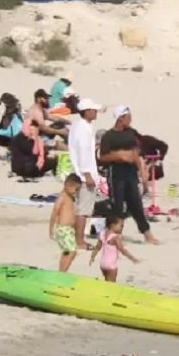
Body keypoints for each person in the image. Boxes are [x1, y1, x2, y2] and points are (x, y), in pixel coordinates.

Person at [100, 106, 159, 245]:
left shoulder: (130, 133)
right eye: (128, 117)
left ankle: (147, 234)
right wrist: (118, 156)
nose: (130, 120)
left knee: (136, 203)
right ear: (120, 118)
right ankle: (114, 234)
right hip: (116, 172)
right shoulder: (108, 136)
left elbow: (136, 154)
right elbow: (102, 156)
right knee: (117, 205)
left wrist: (143, 174)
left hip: (131, 172)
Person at [68, 99, 102, 250]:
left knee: (80, 208)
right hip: (83, 174)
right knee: (83, 210)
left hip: (79, 172)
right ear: (87, 111)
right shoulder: (83, 128)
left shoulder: (79, 125)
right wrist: (87, 174)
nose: (95, 112)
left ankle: (77, 238)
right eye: (93, 110)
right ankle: (80, 241)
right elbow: (83, 152)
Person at [89, 215, 140, 282]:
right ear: (113, 225)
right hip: (111, 265)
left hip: (102, 264)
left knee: (107, 281)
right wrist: (132, 258)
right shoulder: (115, 237)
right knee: (112, 284)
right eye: (121, 226)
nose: (122, 228)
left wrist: (92, 257)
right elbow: (122, 250)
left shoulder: (102, 234)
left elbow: (97, 247)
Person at [49, 174, 81, 272]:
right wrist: (51, 229)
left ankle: (61, 272)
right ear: (67, 186)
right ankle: (62, 272)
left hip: (69, 230)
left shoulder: (70, 198)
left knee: (67, 252)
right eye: (76, 189)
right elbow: (54, 213)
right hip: (63, 229)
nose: (76, 192)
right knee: (72, 252)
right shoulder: (62, 198)